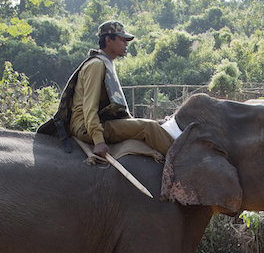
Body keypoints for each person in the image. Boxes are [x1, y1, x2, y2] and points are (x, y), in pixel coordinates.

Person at [39, 20, 174, 159]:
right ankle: (179, 161)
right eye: (122, 40)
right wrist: (98, 140)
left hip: (97, 122)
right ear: (108, 40)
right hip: (84, 127)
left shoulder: (106, 62)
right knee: (149, 127)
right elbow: (89, 107)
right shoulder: (97, 65)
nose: (126, 44)